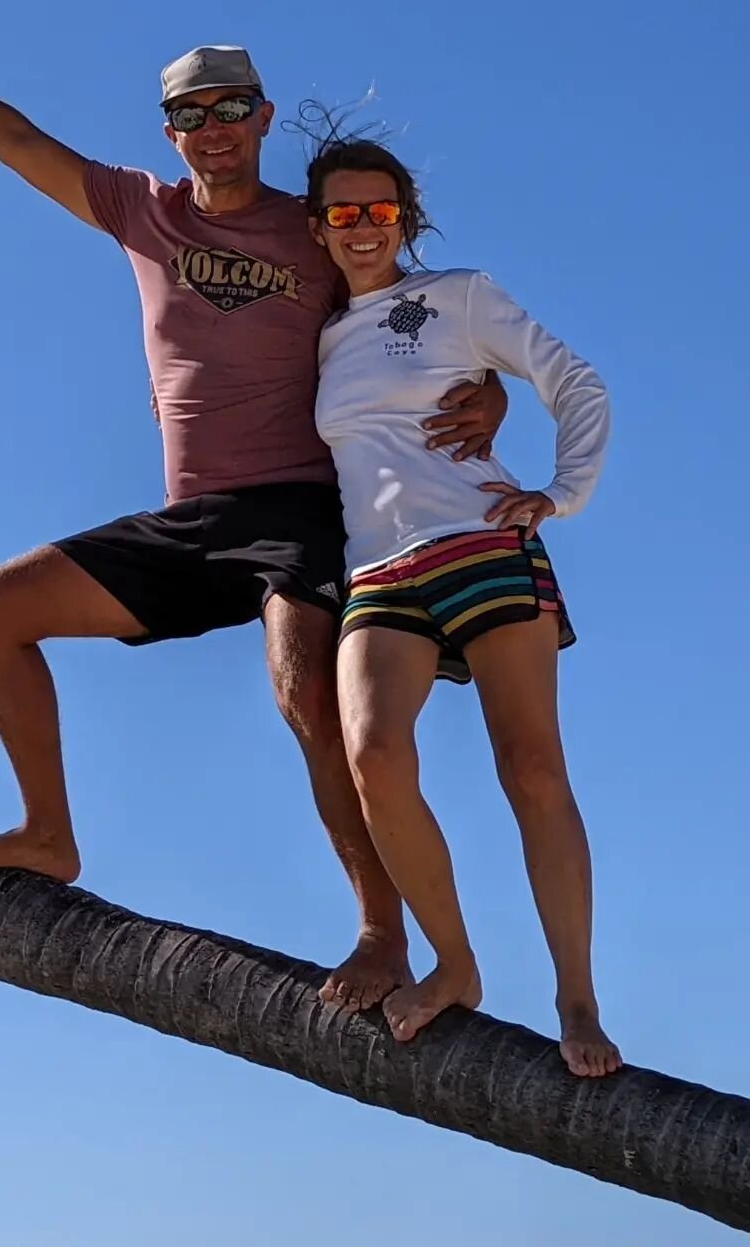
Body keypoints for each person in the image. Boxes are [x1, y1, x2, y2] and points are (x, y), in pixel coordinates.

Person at [0, 0, 506, 1010]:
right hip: (195, 520)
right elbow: (15, 140)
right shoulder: (141, 212)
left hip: (302, 509)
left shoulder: (312, 231)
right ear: (171, 132)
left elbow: (423, 320)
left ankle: (384, 931)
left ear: (263, 116)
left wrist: (489, 396)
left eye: (232, 107)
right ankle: (49, 832)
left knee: (304, 694)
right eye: (192, 114)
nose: (214, 127)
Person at [309, 133, 621, 1076]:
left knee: (530, 769)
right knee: (372, 754)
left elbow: (574, 379)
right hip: (380, 572)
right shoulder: (318, 335)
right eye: (342, 213)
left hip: (485, 544)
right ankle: (455, 963)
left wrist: (562, 492)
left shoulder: (459, 296)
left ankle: (577, 997)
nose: (362, 229)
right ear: (318, 226)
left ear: (406, 216)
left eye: (380, 211)